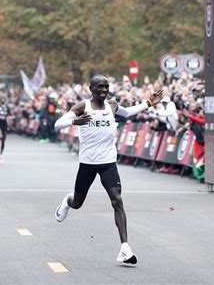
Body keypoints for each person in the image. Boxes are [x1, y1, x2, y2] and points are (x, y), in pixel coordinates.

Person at [53, 74, 163, 264]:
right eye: (100, 87)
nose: (104, 90)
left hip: (108, 161)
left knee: (117, 200)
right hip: (88, 163)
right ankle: (67, 201)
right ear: (91, 89)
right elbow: (57, 124)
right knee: (78, 202)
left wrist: (148, 103)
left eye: (106, 87)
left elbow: (127, 113)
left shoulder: (111, 105)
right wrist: (74, 122)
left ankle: (125, 249)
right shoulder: (82, 107)